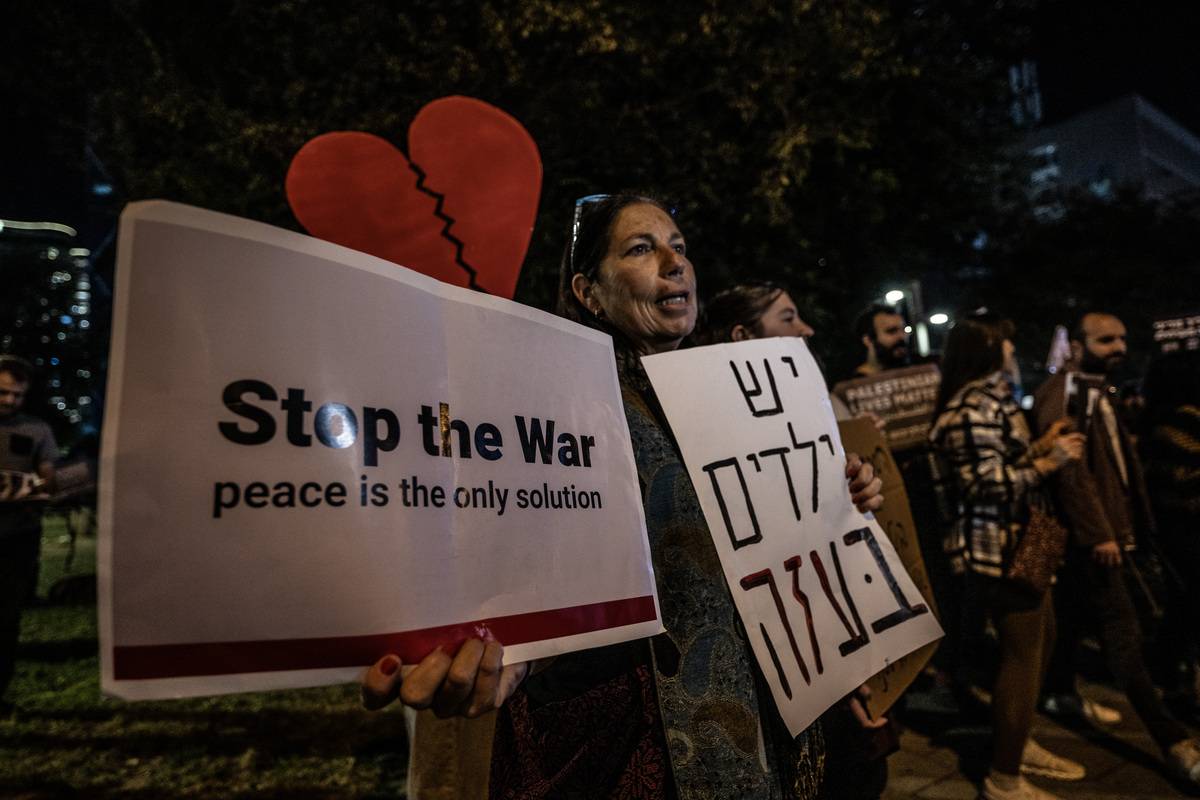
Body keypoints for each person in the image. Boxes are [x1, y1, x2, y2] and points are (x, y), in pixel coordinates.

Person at [361, 194, 884, 799]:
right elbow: (519, 561)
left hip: (765, 716)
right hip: (621, 742)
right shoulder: (551, 406)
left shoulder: (744, 399)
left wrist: (838, 492)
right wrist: (508, 649)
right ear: (589, 292)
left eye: (679, 248)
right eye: (641, 249)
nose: (673, 262)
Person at [696, 280, 897, 800]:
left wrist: (859, 482)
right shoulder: (706, 425)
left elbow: (829, 530)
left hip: (830, 637)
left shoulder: (808, 403)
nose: (805, 328)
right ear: (743, 336)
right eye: (787, 318)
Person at [1034, 312, 1200, 787]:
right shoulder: (1064, 391)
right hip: (1091, 540)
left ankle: (1058, 691)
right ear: (1077, 345)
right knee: (1124, 637)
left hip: (1106, 536)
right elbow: (1068, 468)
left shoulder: (1093, 389)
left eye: (1123, 338)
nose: (1119, 347)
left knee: (1067, 620)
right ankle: (1172, 742)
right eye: (1105, 340)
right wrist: (1097, 533)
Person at [928, 312, 1086, 800]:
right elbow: (984, 486)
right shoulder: (970, 409)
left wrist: (1037, 446)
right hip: (995, 548)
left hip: (1020, 543)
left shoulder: (987, 404)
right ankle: (1005, 777)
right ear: (989, 353)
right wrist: (1049, 461)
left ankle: (1019, 740)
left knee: (1042, 641)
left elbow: (997, 463)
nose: (1015, 353)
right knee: (1022, 656)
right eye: (1008, 345)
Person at [1142, 349, 1200, 715]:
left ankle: (1165, 675)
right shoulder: (1183, 422)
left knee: (1182, 609)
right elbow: (1181, 482)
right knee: (1187, 608)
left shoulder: (1160, 422)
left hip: (1178, 534)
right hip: (1187, 534)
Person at [0, 355, 58, 714]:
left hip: (17, 537)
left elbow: (50, 477)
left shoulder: (37, 429)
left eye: (18, 395)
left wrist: (35, 487)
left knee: (6, 619)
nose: (10, 401)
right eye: (3, 392)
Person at [853, 303, 909, 378]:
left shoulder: (919, 369)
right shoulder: (852, 385)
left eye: (903, 330)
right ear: (868, 340)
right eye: (891, 331)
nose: (902, 336)